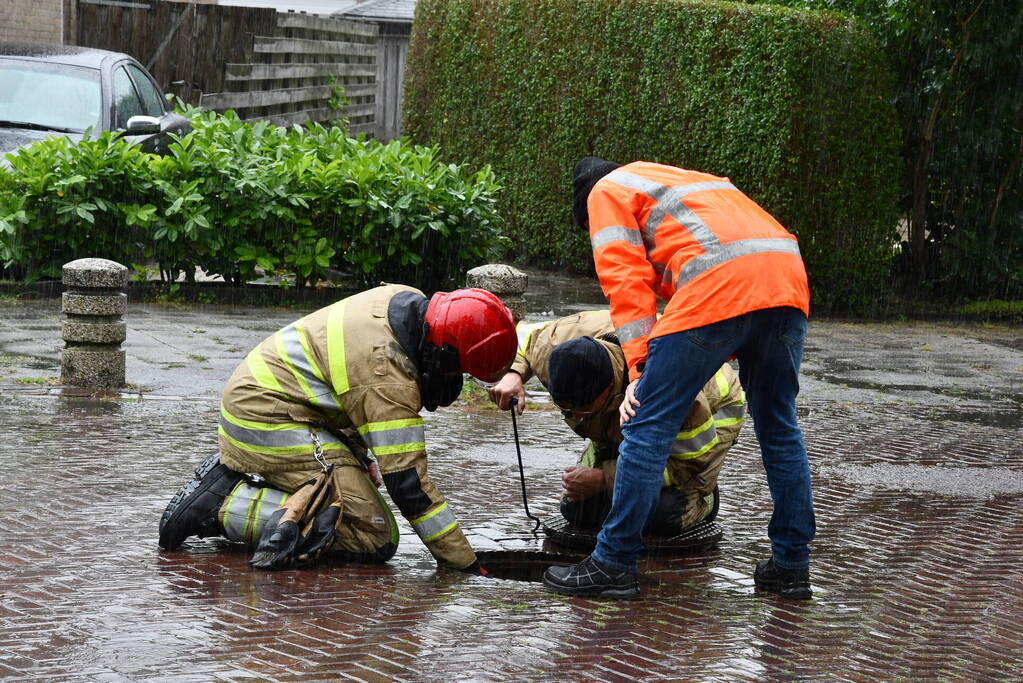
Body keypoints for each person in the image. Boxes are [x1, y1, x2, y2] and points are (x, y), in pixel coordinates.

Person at [543, 158, 814, 600]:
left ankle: (612, 563)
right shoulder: (680, 181)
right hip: (786, 281)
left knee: (646, 425)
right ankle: (791, 565)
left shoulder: (604, 193)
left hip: (720, 283)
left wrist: (639, 369)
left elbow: (626, 284)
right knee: (780, 428)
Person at [159, 284, 517, 574]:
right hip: (267, 419)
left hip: (273, 403)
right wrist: (464, 563)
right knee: (373, 534)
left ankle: (249, 485)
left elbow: (342, 386)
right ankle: (223, 504)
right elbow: (409, 486)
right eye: (462, 373)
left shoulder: (398, 300)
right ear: (444, 357)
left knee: (355, 496)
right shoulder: (386, 373)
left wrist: (358, 457)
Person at [488, 310, 745, 539]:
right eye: (565, 410)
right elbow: (523, 337)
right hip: (622, 411)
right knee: (577, 508)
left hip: (711, 411)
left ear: (609, 389)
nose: (576, 419)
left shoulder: (665, 387)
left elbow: (687, 461)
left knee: (659, 516)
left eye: (584, 411)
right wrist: (515, 373)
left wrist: (603, 479)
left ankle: (706, 498)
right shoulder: (554, 345)